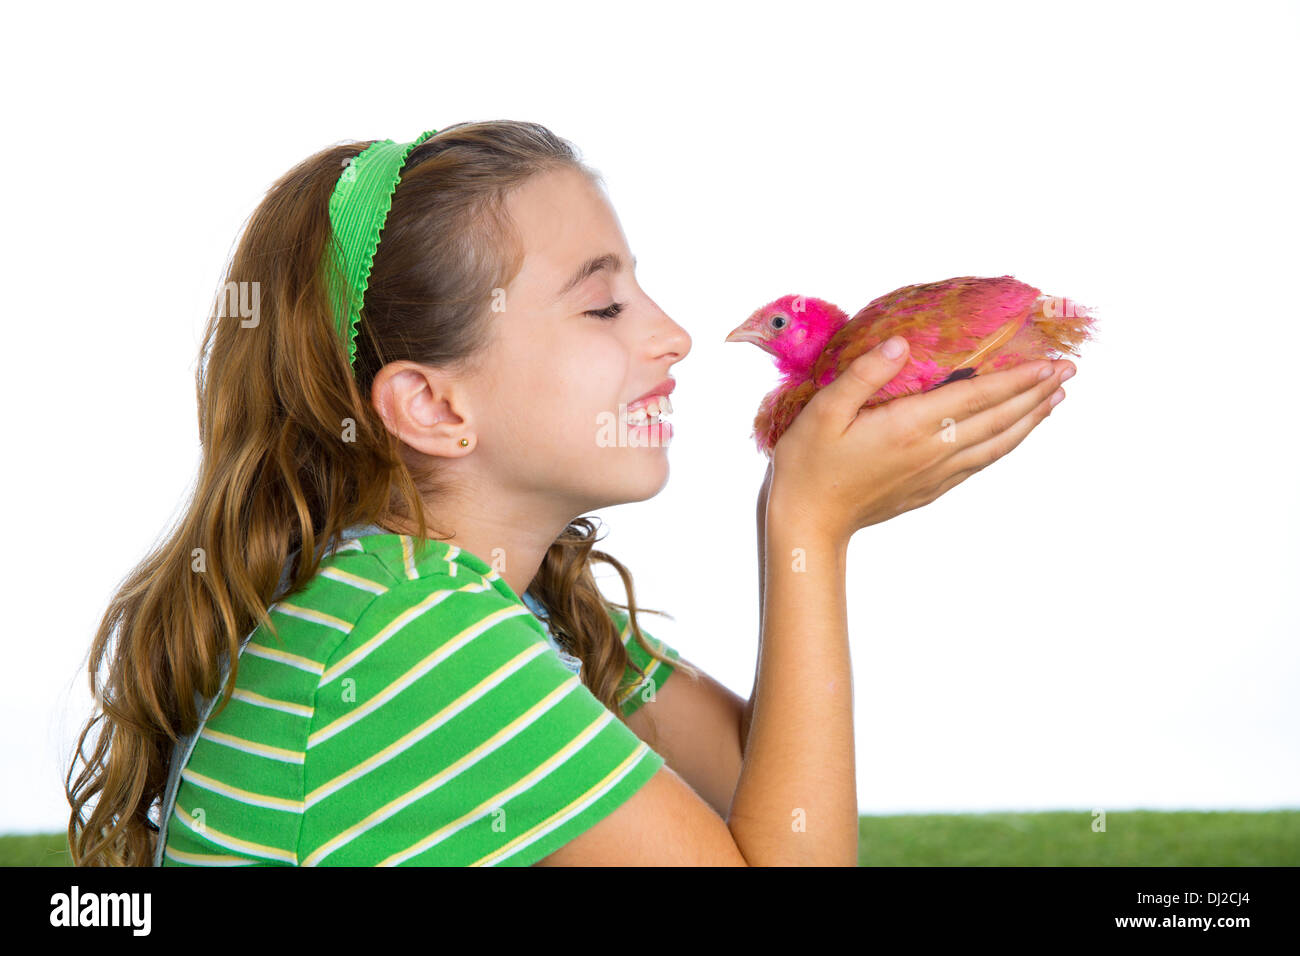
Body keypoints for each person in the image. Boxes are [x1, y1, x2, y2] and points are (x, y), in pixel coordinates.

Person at [65, 120, 1074, 867]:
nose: (673, 333)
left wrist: (817, 511)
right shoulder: (409, 637)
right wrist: (805, 524)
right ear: (431, 403)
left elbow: (770, 798)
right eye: (601, 303)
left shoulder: (507, 599)